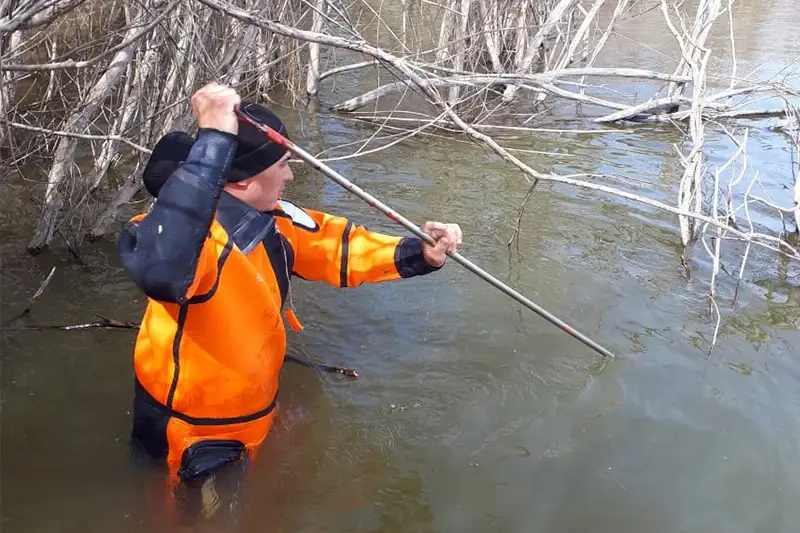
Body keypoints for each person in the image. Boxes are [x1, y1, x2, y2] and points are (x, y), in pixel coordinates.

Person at [118, 82, 462, 517]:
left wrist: (417, 252)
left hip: (254, 412)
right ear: (242, 179)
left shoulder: (274, 219)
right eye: (282, 164)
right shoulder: (191, 243)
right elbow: (163, 268)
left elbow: (338, 246)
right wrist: (214, 142)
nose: (290, 175)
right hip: (192, 437)